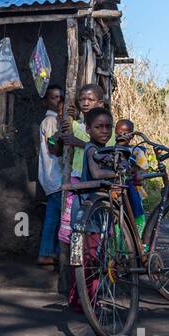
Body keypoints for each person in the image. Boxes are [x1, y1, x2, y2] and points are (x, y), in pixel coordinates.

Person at [60, 107, 118, 311]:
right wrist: (116, 173)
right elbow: (95, 172)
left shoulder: (100, 149)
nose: (104, 131)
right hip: (89, 211)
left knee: (91, 257)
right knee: (91, 257)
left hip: (95, 210)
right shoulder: (92, 149)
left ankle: (83, 300)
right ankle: (83, 302)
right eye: (98, 127)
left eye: (108, 127)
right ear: (88, 129)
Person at [51, 83, 106, 246]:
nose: (85, 103)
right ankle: (76, 258)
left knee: (95, 221)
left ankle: (95, 255)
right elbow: (55, 148)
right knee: (73, 221)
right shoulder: (74, 125)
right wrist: (60, 131)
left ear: (100, 103)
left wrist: (79, 143)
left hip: (96, 180)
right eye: (82, 99)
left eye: (90, 99)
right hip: (76, 178)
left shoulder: (104, 125)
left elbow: (104, 150)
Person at [36, 84, 65, 266]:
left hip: (52, 176)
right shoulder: (52, 122)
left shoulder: (52, 120)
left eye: (60, 97)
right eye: (54, 97)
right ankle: (48, 252)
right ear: (46, 101)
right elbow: (54, 148)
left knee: (53, 217)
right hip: (56, 176)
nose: (58, 101)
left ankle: (48, 252)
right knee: (56, 218)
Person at [115, 117, 148, 237]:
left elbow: (142, 170)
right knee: (118, 218)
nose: (122, 135)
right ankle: (118, 244)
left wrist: (134, 171)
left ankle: (138, 239)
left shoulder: (136, 151)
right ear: (115, 133)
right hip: (116, 189)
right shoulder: (112, 149)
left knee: (137, 214)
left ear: (132, 136)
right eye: (119, 132)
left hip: (132, 188)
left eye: (126, 133)